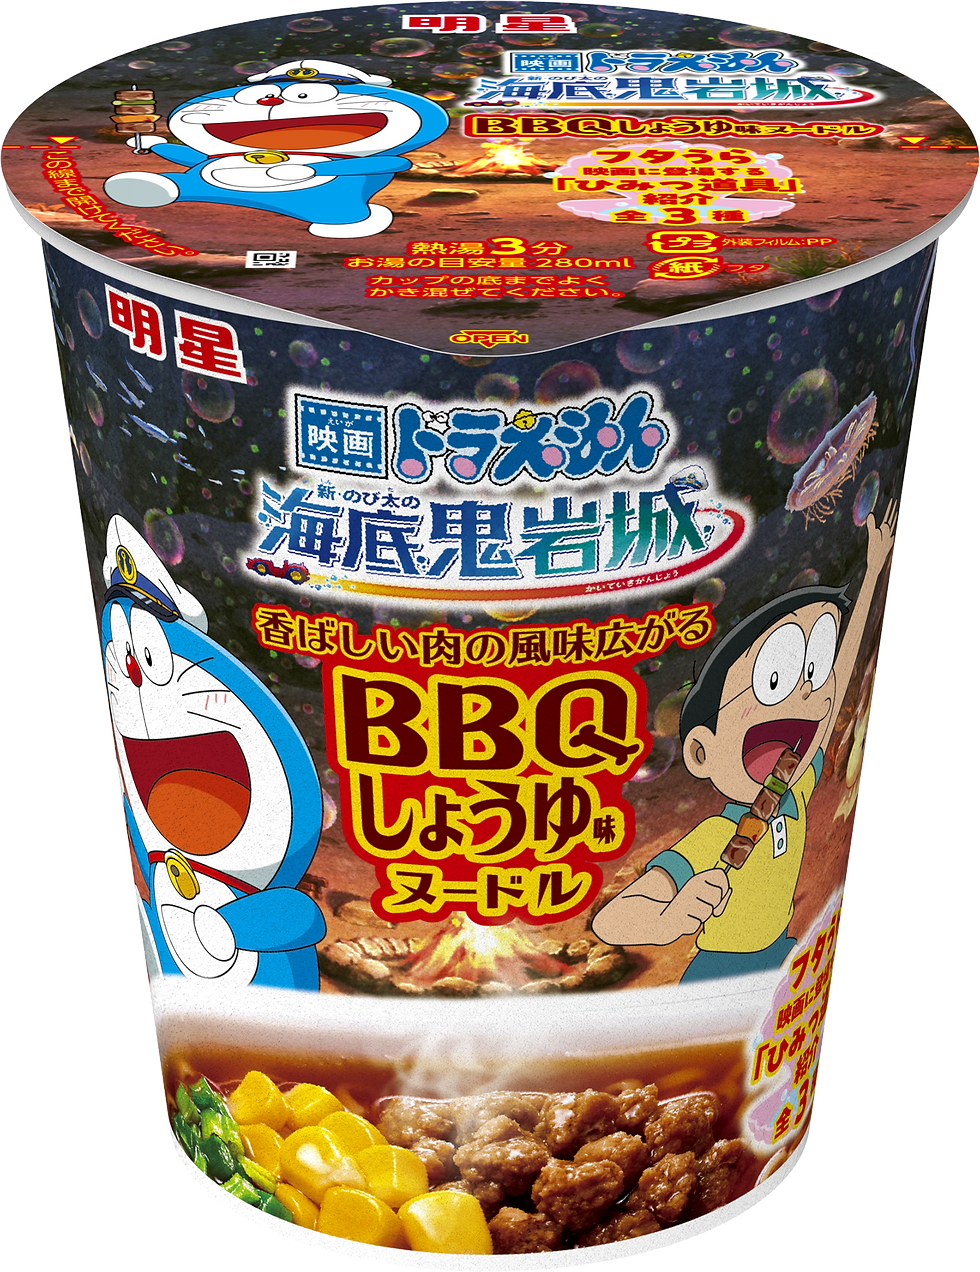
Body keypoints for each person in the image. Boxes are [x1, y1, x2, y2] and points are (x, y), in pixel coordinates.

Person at [591, 502, 896, 981]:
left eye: (811, 673)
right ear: (701, 750)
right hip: (717, 969)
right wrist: (668, 919)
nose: (805, 693)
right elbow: (610, 921)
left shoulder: (795, 786)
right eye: (775, 679)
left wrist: (875, 571)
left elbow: (837, 689)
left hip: (784, 953)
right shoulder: (716, 836)